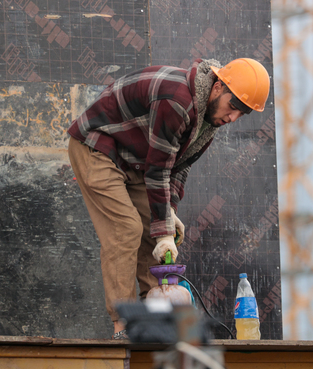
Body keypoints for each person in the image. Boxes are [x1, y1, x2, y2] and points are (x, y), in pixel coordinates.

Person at [67, 58, 270, 339]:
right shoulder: (178, 99)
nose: (232, 118)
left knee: (157, 236)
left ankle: (155, 323)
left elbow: (179, 167)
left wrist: (169, 214)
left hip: (134, 160)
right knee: (126, 229)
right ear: (217, 86)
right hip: (97, 146)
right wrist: (163, 223)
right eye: (233, 106)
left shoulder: (208, 121)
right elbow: (159, 168)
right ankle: (122, 327)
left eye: (242, 114)